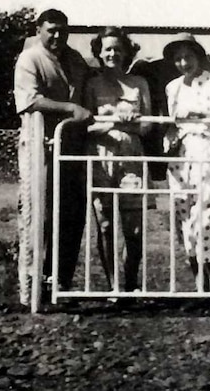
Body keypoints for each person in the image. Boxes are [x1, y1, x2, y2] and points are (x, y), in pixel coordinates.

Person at [13, 8, 92, 304]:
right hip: (40, 148)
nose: (57, 36)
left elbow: (87, 93)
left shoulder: (75, 59)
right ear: (39, 30)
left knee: (71, 215)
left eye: (62, 30)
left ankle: (60, 282)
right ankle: (30, 286)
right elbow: (29, 100)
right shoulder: (30, 59)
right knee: (38, 215)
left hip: (72, 149)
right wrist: (69, 108)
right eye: (51, 30)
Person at [163, 32, 210, 292]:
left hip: (209, 153)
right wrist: (168, 139)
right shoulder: (173, 87)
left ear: (199, 56)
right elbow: (173, 124)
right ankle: (200, 286)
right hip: (182, 158)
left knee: (208, 220)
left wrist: (198, 113)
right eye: (178, 59)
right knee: (187, 222)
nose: (184, 63)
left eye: (188, 57)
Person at [84, 27, 152, 292]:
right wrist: (113, 122)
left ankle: (131, 283)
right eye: (107, 49)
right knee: (105, 224)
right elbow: (85, 126)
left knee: (134, 230)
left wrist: (132, 124)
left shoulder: (139, 83)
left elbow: (148, 125)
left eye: (118, 49)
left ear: (126, 52)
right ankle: (113, 287)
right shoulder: (92, 84)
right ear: (99, 53)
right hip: (101, 158)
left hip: (132, 158)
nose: (113, 54)